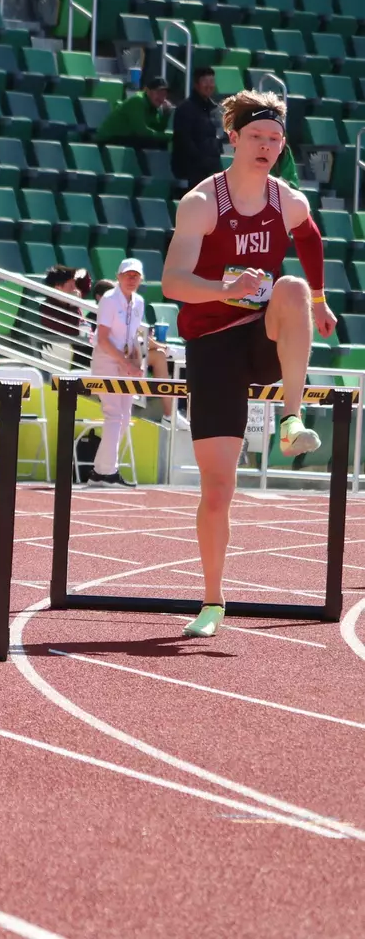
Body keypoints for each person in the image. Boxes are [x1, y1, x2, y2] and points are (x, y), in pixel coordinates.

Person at [162, 90, 333, 638]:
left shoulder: (287, 200)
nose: (267, 146)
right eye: (257, 137)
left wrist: (322, 299)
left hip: (262, 338)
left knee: (293, 287)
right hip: (212, 347)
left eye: (276, 139)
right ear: (233, 137)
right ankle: (213, 602)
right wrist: (223, 287)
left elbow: (309, 236)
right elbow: (171, 284)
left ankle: (291, 418)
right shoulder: (201, 203)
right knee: (217, 490)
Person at [84, 258, 146, 487]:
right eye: (128, 275)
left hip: (124, 364)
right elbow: (103, 339)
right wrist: (126, 362)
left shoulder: (138, 302)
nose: (131, 279)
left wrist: (136, 361)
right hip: (107, 362)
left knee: (124, 417)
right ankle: (106, 472)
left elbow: (133, 337)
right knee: (114, 415)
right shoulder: (109, 300)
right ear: (118, 277)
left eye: (136, 275)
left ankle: (101, 471)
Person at [170, 66, 221, 191]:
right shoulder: (185, 109)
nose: (209, 85)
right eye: (205, 81)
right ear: (196, 84)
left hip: (211, 168)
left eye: (212, 82)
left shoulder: (214, 109)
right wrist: (202, 161)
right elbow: (184, 141)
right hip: (190, 170)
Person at [95, 76, 172, 151]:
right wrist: (170, 136)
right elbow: (141, 132)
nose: (161, 98)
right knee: (150, 142)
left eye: (164, 95)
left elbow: (157, 130)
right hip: (108, 139)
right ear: (147, 91)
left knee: (162, 142)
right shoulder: (137, 101)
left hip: (126, 138)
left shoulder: (154, 107)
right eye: (158, 93)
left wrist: (166, 115)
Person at [39, 263, 90, 368]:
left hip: (76, 352)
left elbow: (82, 328)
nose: (75, 289)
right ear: (58, 287)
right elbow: (70, 333)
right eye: (71, 286)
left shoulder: (70, 305)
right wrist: (74, 306)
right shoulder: (47, 308)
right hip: (59, 354)